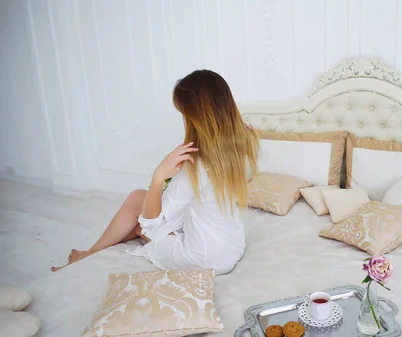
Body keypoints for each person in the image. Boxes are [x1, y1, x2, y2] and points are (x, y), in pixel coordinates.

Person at [52, 70, 259, 274]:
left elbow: (151, 222)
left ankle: (91, 253)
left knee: (139, 220)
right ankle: (96, 249)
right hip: (232, 247)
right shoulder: (244, 144)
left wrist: (159, 176)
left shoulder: (195, 166)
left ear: (194, 117)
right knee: (138, 198)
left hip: (203, 260)